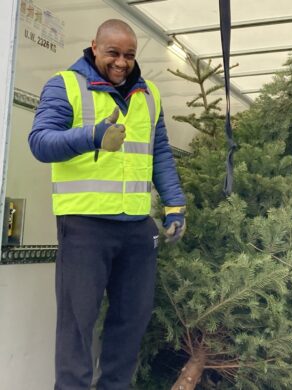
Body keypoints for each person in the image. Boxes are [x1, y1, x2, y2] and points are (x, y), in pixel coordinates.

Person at [28, 19, 186, 390]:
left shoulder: (149, 95)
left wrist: (175, 204)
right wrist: (92, 136)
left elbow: (159, 151)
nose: (121, 62)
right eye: (113, 53)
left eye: (129, 55)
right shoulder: (65, 85)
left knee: (130, 323)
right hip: (85, 226)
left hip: (136, 226)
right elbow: (40, 142)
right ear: (94, 47)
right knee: (77, 326)